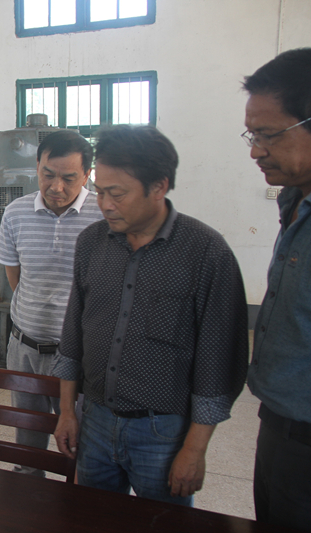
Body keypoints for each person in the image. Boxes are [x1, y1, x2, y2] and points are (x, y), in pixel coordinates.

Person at [52, 125, 249, 506]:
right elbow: (74, 334)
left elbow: (218, 362)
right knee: (93, 519)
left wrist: (194, 450)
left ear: (159, 187)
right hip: (95, 419)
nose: (105, 204)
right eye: (100, 191)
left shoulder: (206, 253)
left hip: (163, 431)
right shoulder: (91, 243)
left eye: (117, 194)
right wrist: (67, 412)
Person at [0, 130, 102, 475]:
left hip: (80, 355)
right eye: (47, 174)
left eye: (68, 178)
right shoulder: (16, 213)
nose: (56, 187)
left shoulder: (104, 216)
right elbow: (16, 278)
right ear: (37, 167)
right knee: (28, 444)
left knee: (81, 445)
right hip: (24, 349)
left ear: (87, 174)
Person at [243, 48, 311, 531]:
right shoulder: (295, 201)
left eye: (268, 135)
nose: (256, 150)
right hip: (280, 422)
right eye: (252, 135)